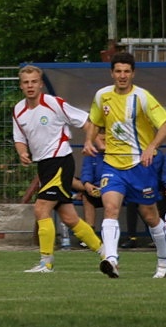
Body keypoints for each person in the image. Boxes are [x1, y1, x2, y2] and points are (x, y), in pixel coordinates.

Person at [83, 52, 166, 279]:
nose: (122, 76)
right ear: (112, 73)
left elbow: (165, 127)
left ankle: (164, 260)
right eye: (118, 71)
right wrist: (88, 139)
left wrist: (151, 146)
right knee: (111, 209)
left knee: (150, 216)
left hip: (139, 166)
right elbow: (94, 121)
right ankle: (111, 259)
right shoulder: (102, 95)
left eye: (126, 71)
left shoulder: (142, 97)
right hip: (112, 164)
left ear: (133, 73)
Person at [13, 66, 102, 273]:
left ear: (41, 84)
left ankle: (46, 263)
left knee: (41, 208)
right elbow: (19, 138)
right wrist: (22, 152)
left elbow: (87, 122)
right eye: (26, 82)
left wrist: (91, 142)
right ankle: (106, 253)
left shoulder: (54, 103)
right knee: (70, 218)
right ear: (21, 86)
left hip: (60, 160)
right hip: (44, 165)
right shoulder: (18, 110)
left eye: (34, 82)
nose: (30, 86)